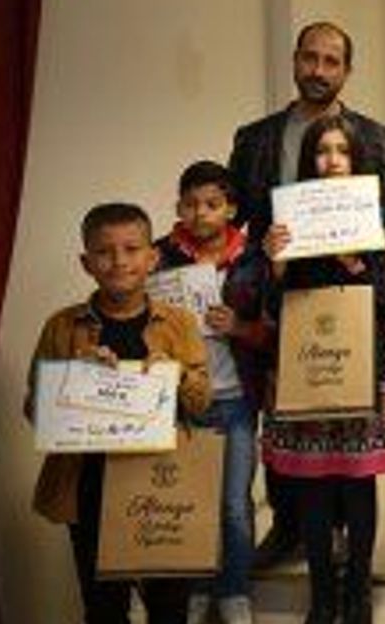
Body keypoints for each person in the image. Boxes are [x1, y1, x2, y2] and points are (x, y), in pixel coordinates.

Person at [230, 20, 385, 569]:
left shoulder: (376, 138)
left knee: (349, 444)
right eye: (310, 58)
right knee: (288, 431)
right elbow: (237, 225)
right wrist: (261, 276)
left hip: (353, 300)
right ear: (294, 60)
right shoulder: (255, 138)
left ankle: (345, 541)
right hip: (286, 300)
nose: (318, 70)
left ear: (347, 70)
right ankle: (289, 528)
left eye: (331, 61)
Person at [24, 203, 211, 624]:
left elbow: (201, 404)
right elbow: (35, 413)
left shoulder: (179, 323)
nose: (119, 261)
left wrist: (176, 374)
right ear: (86, 262)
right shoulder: (61, 326)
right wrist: (76, 380)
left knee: (170, 609)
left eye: (131, 249)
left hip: (164, 486)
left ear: (152, 257)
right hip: (88, 485)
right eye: (104, 252)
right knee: (103, 610)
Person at [262, 115, 385, 624]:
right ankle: (322, 595)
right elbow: (271, 310)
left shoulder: (381, 218)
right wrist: (277, 266)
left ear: (358, 159)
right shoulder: (289, 216)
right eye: (322, 151)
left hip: (361, 366)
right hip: (305, 367)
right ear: (309, 160)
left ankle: (358, 590)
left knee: (357, 483)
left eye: (343, 151)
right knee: (313, 485)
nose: (332, 161)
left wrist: (354, 262)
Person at [155, 162, 272, 624]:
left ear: (231, 209)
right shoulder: (159, 258)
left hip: (237, 398)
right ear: (178, 207)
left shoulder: (253, 260)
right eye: (190, 204)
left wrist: (240, 327)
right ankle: (199, 587)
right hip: (184, 399)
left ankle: (235, 590)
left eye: (212, 204)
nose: (200, 213)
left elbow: (276, 331)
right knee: (192, 500)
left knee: (234, 505)